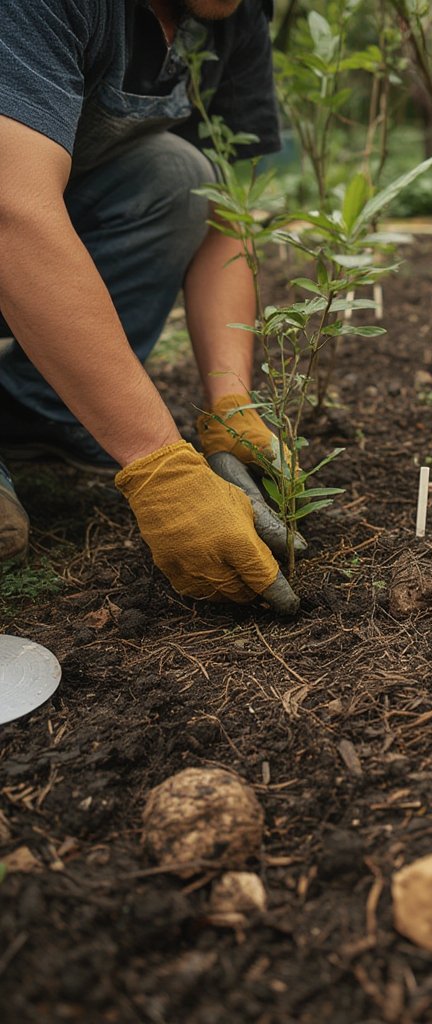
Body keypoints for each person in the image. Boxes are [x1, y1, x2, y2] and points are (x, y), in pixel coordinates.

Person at [0, 0, 299, 612]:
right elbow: (14, 212)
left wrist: (230, 399)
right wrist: (158, 467)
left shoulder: (231, 14)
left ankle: (38, 411)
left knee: (182, 177)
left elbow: (227, 216)